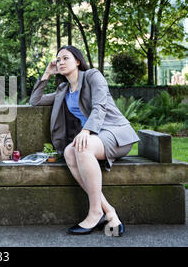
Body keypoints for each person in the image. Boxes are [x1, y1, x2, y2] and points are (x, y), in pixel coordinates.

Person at [30, 45, 140, 236]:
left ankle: (95, 212)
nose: (60, 62)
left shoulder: (92, 76)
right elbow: (35, 101)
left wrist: (87, 130)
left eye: (65, 58)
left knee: (82, 146)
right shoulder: (63, 90)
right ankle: (109, 212)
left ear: (78, 61)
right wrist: (47, 73)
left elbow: (99, 107)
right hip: (94, 138)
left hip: (115, 133)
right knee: (69, 152)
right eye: (58, 59)